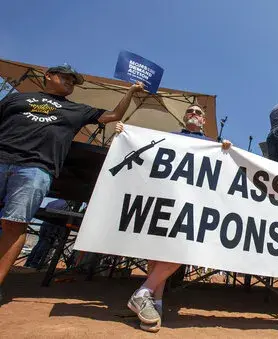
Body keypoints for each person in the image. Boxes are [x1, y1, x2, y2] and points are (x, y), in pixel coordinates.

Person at [0, 64, 144, 303]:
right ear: (48, 76)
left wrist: (130, 92)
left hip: (36, 169)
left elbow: (113, 116)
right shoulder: (18, 100)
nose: (70, 82)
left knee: (14, 225)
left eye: (73, 81)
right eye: (65, 77)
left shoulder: (77, 110)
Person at [117, 104, 232, 333]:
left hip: (192, 202)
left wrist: (226, 150)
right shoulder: (168, 137)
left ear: (204, 120)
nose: (194, 114)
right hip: (165, 196)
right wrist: (125, 133)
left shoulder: (211, 144)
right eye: (190, 111)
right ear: (185, 117)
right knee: (157, 251)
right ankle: (154, 301)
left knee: (181, 249)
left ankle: (143, 292)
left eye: (199, 113)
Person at [24, 199, 68, 269]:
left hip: (45, 223)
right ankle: (35, 263)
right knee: (45, 243)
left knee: (40, 242)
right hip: (53, 224)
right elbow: (65, 217)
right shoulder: (66, 204)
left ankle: (28, 262)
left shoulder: (53, 202)